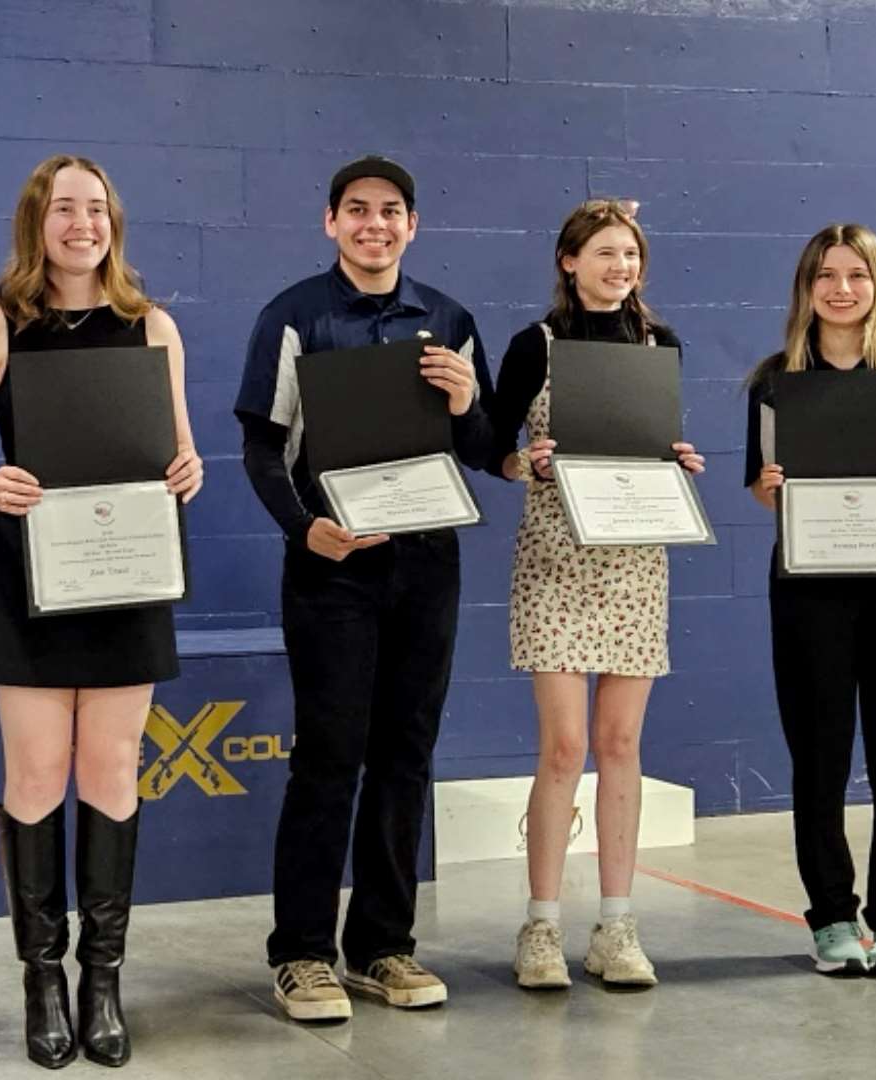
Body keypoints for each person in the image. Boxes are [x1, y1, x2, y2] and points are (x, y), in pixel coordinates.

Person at [0, 154, 203, 1068]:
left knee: (114, 770)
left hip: (125, 573)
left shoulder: (150, 325)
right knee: (38, 776)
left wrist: (187, 474)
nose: (82, 224)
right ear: (35, 223)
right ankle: (41, 980)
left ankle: (103, 980)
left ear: (113, 222)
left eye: (96, 209)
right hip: (30, 577)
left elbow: (180, 454)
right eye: (64, 209)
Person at [234, 154, 494, 1022]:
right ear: (330, 222)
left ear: (412, 226)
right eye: (357, 210)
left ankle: (383, 945)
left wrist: (465, 404)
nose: (373, 224)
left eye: (390, 212)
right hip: (331, 567)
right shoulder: (295, 316)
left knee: (406, 753)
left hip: (427, 567)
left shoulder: (450, 321)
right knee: (329, 756)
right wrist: (305, 527)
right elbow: (263, 448)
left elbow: (484, 446)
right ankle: (302, 953)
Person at [483, 199, 705, 991]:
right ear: (569, 261)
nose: (621, 268)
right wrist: (524, 463)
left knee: (620, 747)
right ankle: (541, 923)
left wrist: (677, 459)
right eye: (606, 254)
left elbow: (646, 445)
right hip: (554, 561)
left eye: (632, 256)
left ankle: (616, 923)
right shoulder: (533, 345)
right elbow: (489, 445)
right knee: (564, 748)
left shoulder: (659, 342)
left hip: (633, 562)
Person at [744, 223, 876, 977]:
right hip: (810, 592)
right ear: (806, 288)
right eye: (825, 275)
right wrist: (768, 489)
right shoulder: (776, 381)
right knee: (820, 756)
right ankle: (832, 917)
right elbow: (759, 484)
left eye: (856, 275)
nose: (841, 288)